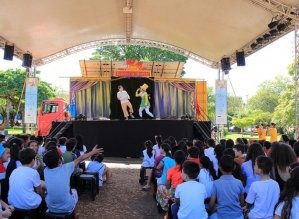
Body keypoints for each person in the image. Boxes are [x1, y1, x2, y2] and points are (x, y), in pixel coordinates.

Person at [43, 144, 103, 218]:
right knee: (74, 191)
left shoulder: (46, 170)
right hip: (67, 207)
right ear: (59, 160)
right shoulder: (66, 168)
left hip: (51, 207)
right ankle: (75, 214)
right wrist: (93, 152)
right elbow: (80, 158)